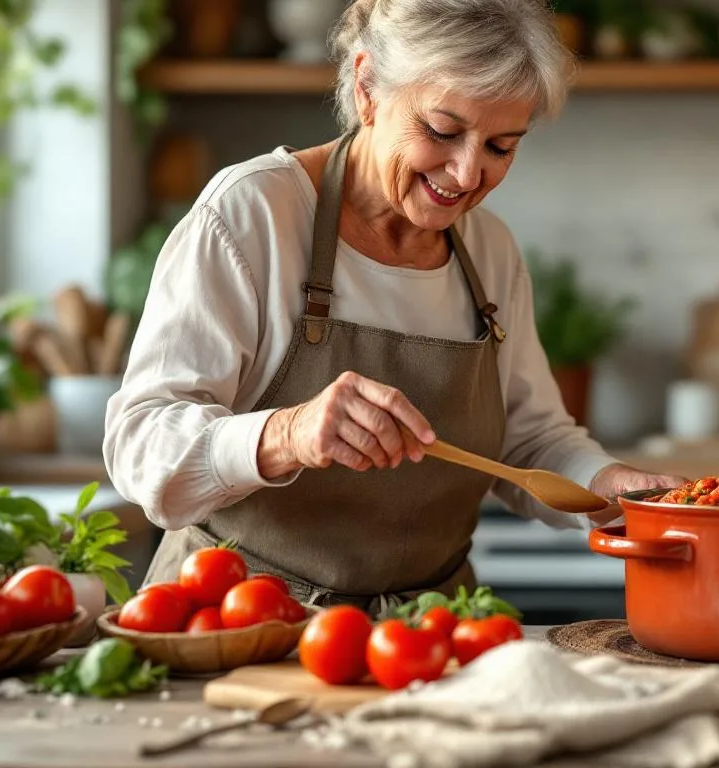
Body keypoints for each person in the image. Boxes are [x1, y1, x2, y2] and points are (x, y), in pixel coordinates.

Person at [103, 0, 685, 616]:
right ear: (367, 88)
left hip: (421, 635)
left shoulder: (488, 251)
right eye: (442, 131)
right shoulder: (253, 215)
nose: (467, 174)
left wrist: (608, 484)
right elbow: (140, 446)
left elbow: (530, 439)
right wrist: (288, 432)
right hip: (234, 619)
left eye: (501, 146)